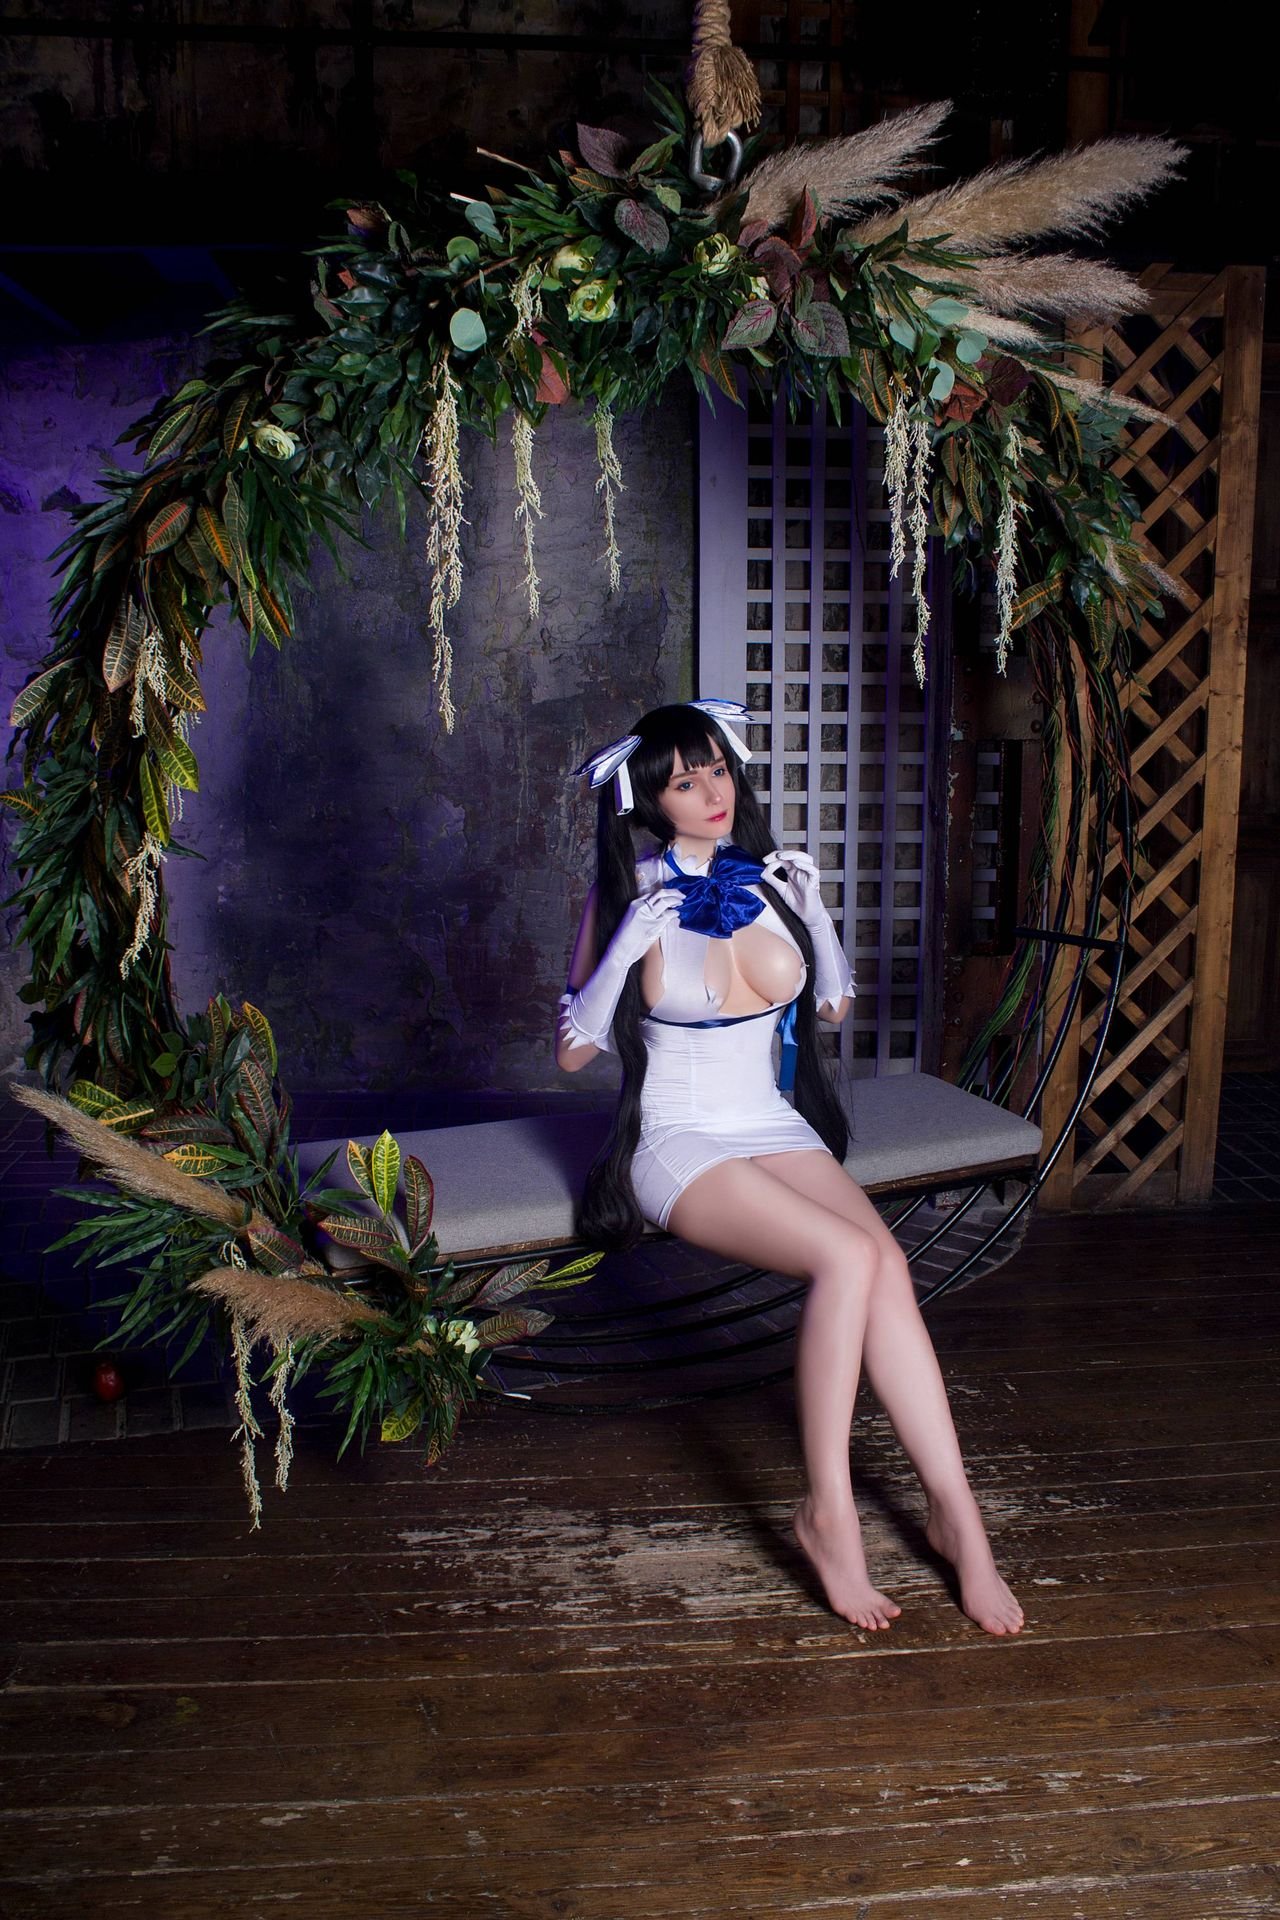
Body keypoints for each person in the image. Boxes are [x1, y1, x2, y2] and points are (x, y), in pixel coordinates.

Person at [556, 699, 1023, 1636]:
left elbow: (835, 1006)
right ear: (651, 800)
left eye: (716, 768)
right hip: (676, 1133)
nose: (711, 791)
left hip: (765, 1118)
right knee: (848, 1258)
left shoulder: (767, 875)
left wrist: (814, 913)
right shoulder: (626, 892)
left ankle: (956, 1515)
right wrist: (624, 951)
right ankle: (828, 1514)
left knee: (884, 1263)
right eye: (683, 781)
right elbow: (571, 1053)